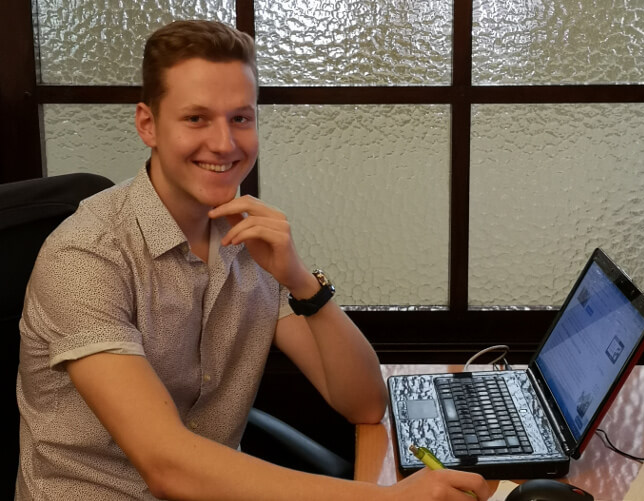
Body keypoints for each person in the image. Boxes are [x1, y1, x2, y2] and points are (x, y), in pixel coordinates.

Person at [15, 19, 490, 501]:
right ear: (148, 125)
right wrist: (389, 499)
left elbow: (365, 403)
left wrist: (300, 280)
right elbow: (166, 466)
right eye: (196, 118)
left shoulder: (248, 238)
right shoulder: (85, 256)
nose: (225, 143)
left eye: (240, 118)